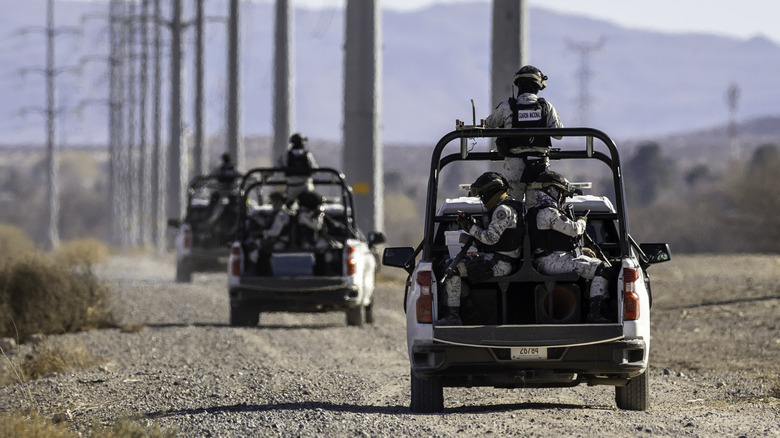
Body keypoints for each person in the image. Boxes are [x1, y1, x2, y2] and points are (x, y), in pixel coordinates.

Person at [436, 172, 524, 325]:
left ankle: (455, 317)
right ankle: (470, 312)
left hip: (500, 264)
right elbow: (496, 240)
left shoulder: (503, 210)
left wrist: (470, 226)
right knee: (449, 267)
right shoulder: (503, 208)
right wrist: (472, 225)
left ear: (491, 191)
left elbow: (490, 238)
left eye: (483, 194)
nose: (482, 199)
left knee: (452, 270)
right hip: (498, 261)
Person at [526, 171, 611, 323]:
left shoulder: (537, 212)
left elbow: (555, 240)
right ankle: (595, 314)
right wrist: (582, 220)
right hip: (552, 262)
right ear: (553, 191)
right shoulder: (548, 212)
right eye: (561, 193)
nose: (562, 198)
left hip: (551, 259)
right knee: (602, 269)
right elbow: (573, 229)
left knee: (592, 265)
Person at [485, 65, 564, 205]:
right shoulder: (547, 107)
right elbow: (559, 134)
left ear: (518, 85)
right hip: (540, 165)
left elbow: (488, 125)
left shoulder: (506, 107)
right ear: (538, 87)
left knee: (511, 209)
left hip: (514, 166)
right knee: (536, 211)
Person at [276, 133, 318, 200]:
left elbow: (276, 167)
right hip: (305, 187)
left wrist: (264, 177)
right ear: (302, 143)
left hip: (291, 188)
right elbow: (315, 170)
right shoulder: (307, 155)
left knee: (287, 202)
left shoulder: (285, 155)